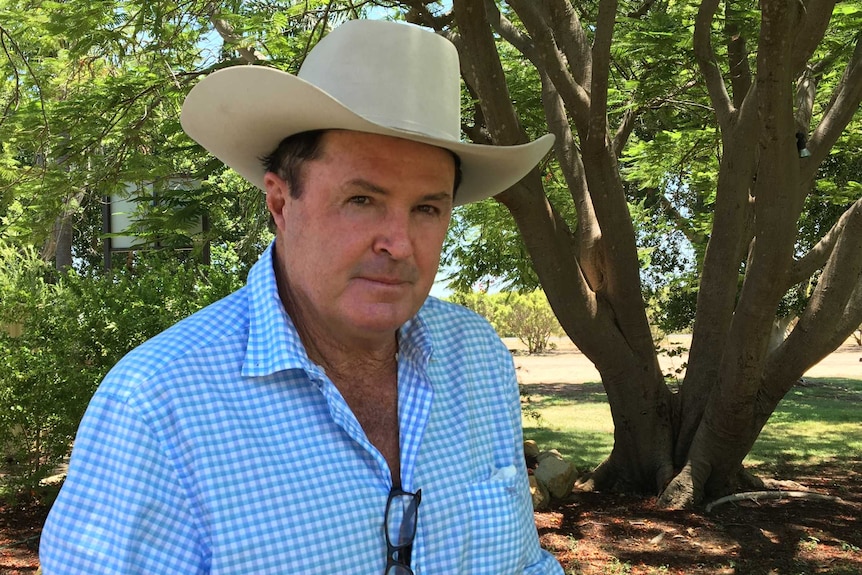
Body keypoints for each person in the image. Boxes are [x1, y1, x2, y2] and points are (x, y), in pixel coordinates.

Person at [40, 19, 561, 575]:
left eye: (427, 208)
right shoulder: (157, 406)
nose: (399, 244)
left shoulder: (477, 358)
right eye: (362, 199)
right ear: (280, 205)